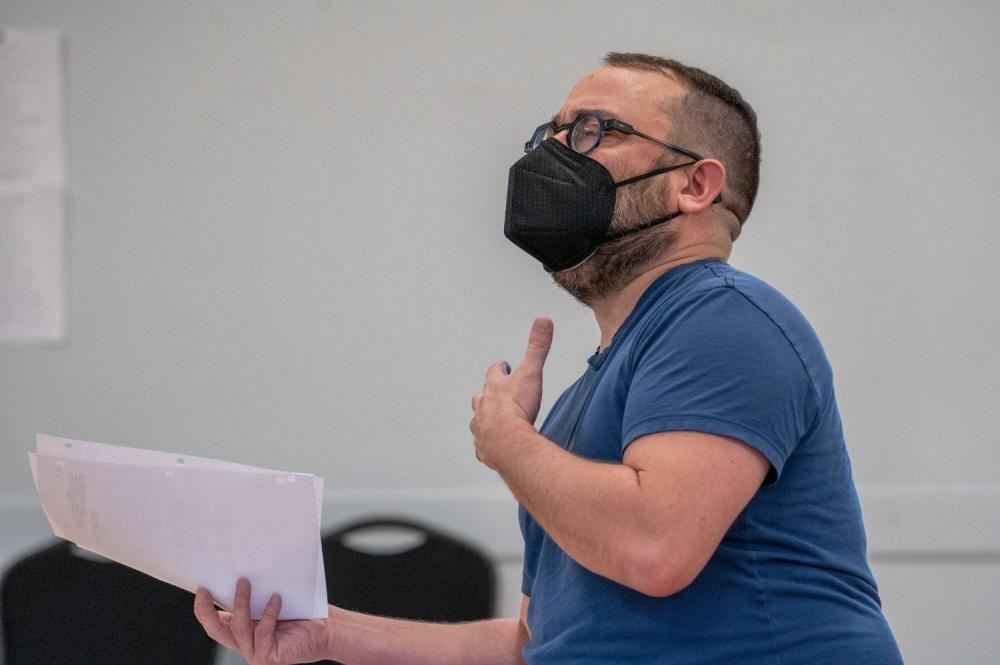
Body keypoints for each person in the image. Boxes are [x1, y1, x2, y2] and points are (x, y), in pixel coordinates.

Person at [194, 52, 903, 664]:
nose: (556, 154)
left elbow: (654, 546)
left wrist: (509, 446)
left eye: (594, 131)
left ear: (696, 185)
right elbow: (538, 643)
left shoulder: (725, 317)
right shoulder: (590, 392)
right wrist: (331, 634)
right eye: (553, 132)